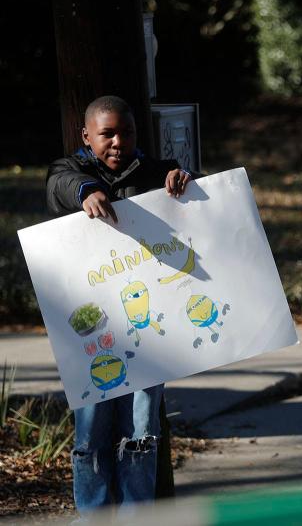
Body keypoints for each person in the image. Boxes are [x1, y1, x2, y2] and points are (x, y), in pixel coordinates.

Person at [46, 95, 191, 513]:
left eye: (126, 132)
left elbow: (203, 206)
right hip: (90, 337)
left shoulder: (157, 172)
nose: (117, 142)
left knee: (142, 431)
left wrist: (183, 181)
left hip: (149, 336)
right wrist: (86, 192)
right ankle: (93, 515)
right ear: (86, 136)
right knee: (90, 434)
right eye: (107, 133)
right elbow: (61, 184)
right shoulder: (69, 171)